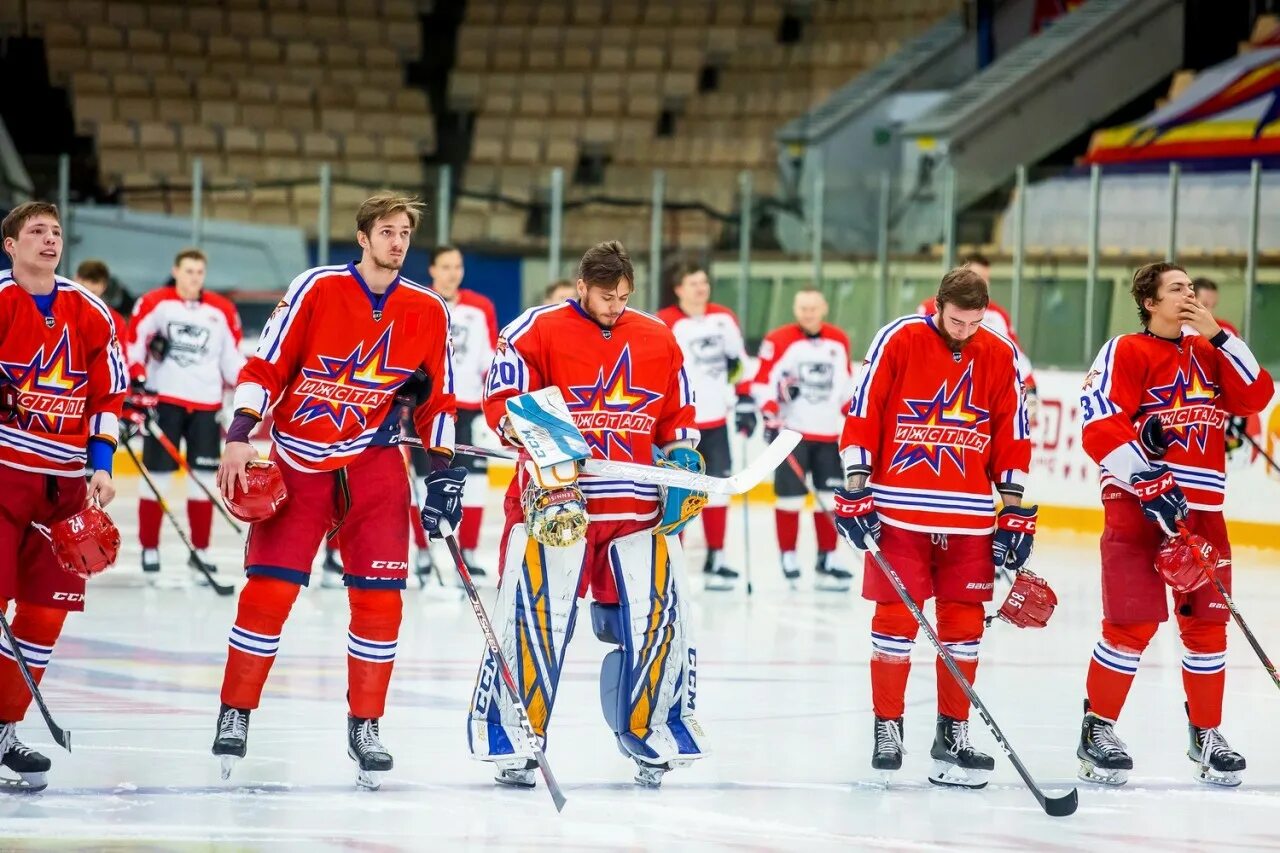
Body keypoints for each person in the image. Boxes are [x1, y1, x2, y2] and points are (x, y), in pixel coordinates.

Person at [211, 193, 460, 788]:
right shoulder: (317, 288)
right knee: (268, 594)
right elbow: (263, 367)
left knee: (381, 602)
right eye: (387, 231)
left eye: (405, 233)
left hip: (374, 464)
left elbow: (437, 399)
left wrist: (444, 471)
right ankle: (235, 711)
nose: (397, 242)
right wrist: (241, 433)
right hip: (298, 460)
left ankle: (366, 725)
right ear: (363, 236)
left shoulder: (428, 309)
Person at [467, 240, 706, 789]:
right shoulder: (535, 329)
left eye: (623, 296)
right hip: (558, 503)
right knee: (534, 619)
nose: (615, 306)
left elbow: (678, 414)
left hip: (636, 508)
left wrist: (682, 461)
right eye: (605, 296)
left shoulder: (657, 336)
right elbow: (503, 401)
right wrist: (555, 460)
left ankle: (653, 734)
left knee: (655, 622)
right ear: (581, 286)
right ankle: (517, 739)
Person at [834, 267, 1035, 788]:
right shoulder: (899, 337)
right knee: (895, 622)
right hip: (899, 510)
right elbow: (864, 410)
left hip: (968, 519)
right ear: (938, 306)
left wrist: (1012, 506)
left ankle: (953, 736)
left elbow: (1012, 429)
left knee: (965, 630)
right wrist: (857, 485)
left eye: (975, 321)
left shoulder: (999, 350)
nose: (965, 331)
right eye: (956, 320)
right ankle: (888, 726)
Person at [1075, 262, 1272, 788]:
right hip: (1137, 507)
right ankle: (1097, 730)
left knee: (1208, 627)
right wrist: (1145, 473)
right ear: (1149, 302)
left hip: (1203, 513)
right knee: (1131, 624)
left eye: (1192, 288)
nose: (1189, 295)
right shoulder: (1126, 350)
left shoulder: (1210, 350)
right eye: (1177, 289)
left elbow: (1256, 396)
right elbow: (1097, 424)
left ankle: (1206, 734)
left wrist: (1220, 336)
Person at [0, 202, 127, 791]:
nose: (49, 240)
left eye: (55, 232)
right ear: (10, 245)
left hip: (65, 489)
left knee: (46, 612)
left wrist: (100, 463)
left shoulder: (90, 310)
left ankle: (3, 727)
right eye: (35, 232)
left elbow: (108, 398)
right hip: (3, 478)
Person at [127, 249, 245, 581]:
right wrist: (138, 379)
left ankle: (201, 551)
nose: (194, 277)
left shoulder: (221, 310)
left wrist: (251, 391)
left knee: (204, 481)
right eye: (189, 271)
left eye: (200, 272)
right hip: (164, 404)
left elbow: (232, 359)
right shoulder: (155, 303)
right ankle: (150, 547)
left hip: (206, 407)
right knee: (157, 478)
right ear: (175, 271)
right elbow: (133, 342)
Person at [750, 288, 855, 590]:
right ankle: (789, 556)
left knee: (830, 499)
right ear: (796, 308)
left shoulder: (838, 340)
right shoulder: (779, 340)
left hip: (827, 434)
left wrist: (859, 418)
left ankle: (827, 558)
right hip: (791, 436)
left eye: (813, 308)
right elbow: (762, 383)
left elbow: (845, 387)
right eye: (802, 308)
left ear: (823, 308)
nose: (808, 313)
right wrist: (770, 413)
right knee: (790, 499)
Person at [657, 260, 752, 590]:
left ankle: (717, 556)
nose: (701, 288)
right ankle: (673, 556)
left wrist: (745, 399)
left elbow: (738, 363)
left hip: (716, 420)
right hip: (681, 425)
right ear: (679, 288)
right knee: (679, 490)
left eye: (704, 282)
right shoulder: (665, 322)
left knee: (720, 490)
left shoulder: (724, 318)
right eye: (693, 283)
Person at [413, 245, 497, 582]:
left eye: (457, 266)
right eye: (445, 266)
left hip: (469, 407)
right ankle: (422, 552)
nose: (452, 273)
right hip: (427, 408)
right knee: (422, 482)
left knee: (474, 483)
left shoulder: (480, 308)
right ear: (432, 269)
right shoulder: (420, 301)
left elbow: (488, 358)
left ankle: (470, 553)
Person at [916, 253, 1039, 427]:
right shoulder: (929, 307)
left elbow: (1016, 358)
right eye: (979, 277)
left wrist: (1031, 393)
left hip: (976, 399)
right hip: (935, 396)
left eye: (987, 279)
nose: (984, 283)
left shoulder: (997, 316)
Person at [73, 259, 127, 343]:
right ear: (75, 279)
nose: (87, 298)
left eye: (93, 293)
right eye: (83, 291)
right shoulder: (56, 312)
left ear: (104, 287)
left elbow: (119, 353)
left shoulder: (114, 321)